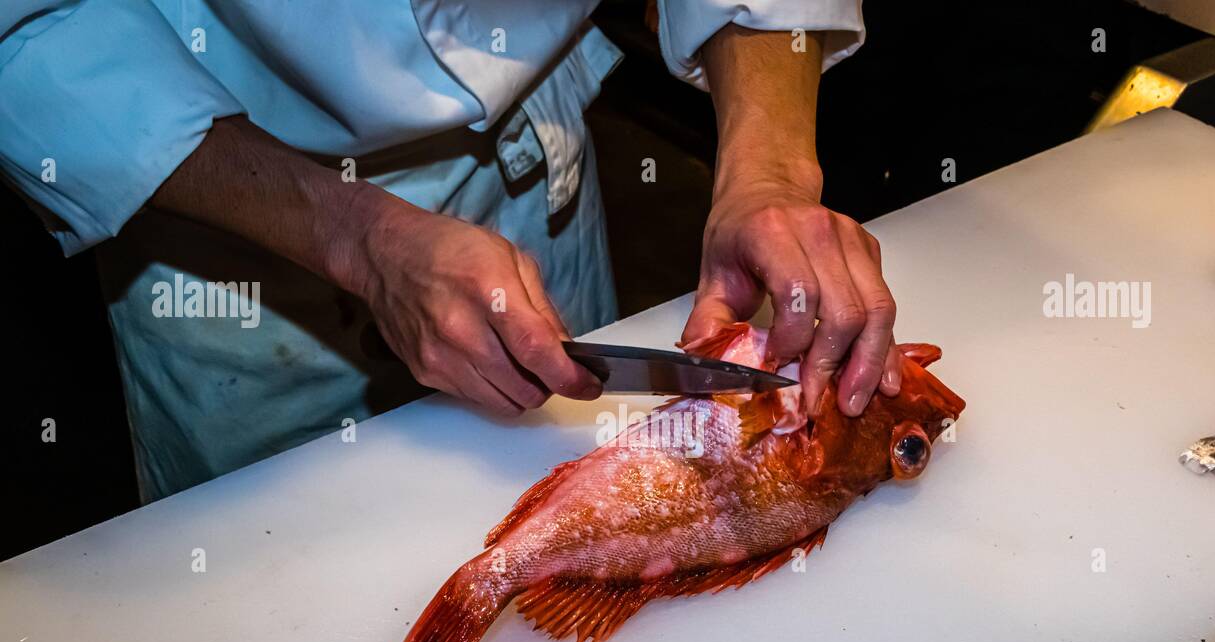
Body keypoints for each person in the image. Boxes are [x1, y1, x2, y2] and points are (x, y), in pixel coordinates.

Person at [0, 1, 901, 501]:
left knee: (563, 479)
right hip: (226, 223)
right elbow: (33, 31)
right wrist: (357, 237)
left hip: (536, 183)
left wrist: (772, 169)